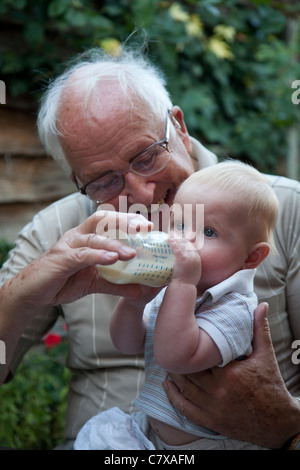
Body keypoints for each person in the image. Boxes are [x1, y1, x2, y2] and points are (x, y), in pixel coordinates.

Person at [0, 47, 299, 450]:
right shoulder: (55, 231)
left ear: (179, 127)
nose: (143, 192)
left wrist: (286, 426)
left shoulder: (287, 210)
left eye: (146, 156)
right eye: (104, 180)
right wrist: (20, 294)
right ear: (77, 179)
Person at [104, 161, 278, 450]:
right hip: (152, 436)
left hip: (208, 445)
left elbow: (174, 357)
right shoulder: (179, 289)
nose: (184, 239)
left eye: (208, 232)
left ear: (251, 258)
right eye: (180, 224)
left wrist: (182, 285)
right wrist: (133, 305)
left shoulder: (235, 309)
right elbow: (126, 344)